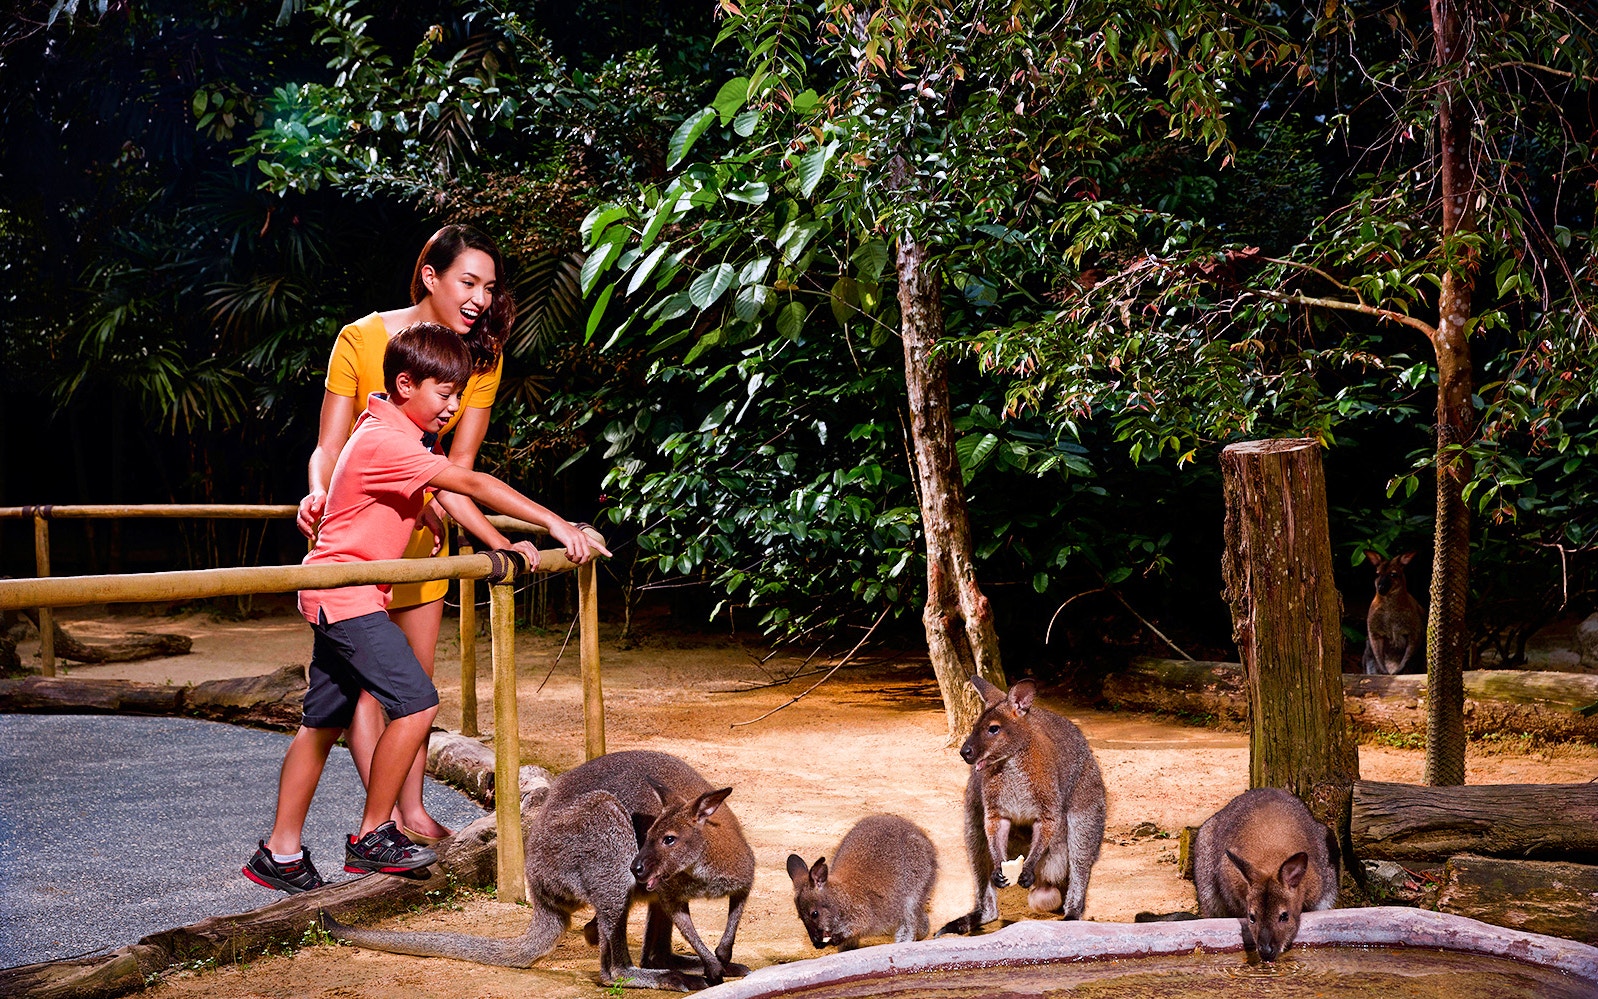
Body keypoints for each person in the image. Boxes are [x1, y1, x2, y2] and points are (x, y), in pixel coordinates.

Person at [245, 323, 606, 893]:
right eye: (445, 393)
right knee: (416, 703)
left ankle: (279, 854)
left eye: (459, 394)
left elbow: (446, 494)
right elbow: (471, 482)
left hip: (337, 592)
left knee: (321, 726)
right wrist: (557, 524)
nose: (454, 406)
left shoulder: (394, 434)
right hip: (348, 596)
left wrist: (502, 545)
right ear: (405, 384)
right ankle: (372, 835)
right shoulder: (386, 443)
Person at [297, 224, 510, 845]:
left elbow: (457, 466)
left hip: (423, 539)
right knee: (364, 689)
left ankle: (409, 812)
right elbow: (329, 446)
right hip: (355, 536)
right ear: (430, 276)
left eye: (489, 288)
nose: (480, 300)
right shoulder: (360, 338)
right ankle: (382, 824)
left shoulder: (482, 357)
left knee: (412, 686)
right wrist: (317, 492)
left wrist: (487, 537)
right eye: (468, 282)